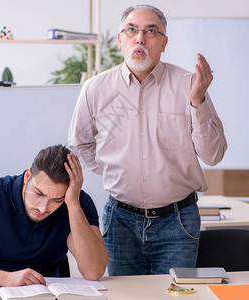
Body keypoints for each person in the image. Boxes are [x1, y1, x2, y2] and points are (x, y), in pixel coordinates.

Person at [67, 4, 227, 276]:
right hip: (121, 220)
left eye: (150, 31)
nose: (140, 38)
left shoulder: (189, 84)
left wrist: (197, 100)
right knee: (125, 296)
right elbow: (80, 144)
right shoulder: (95, 89)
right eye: (132, 30)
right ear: (120, 39)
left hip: (177, 220)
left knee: (174, 295)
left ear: (163, 43)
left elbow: (213, 155)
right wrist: (112, 168)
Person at [0, 145, 108, 286]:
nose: (43, 208)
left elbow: (93, 271)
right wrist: (6, 278)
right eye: (38, 193)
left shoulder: (77, 203)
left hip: (44, 293)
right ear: (27, 176)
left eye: (56, 200)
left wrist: (73, 204)